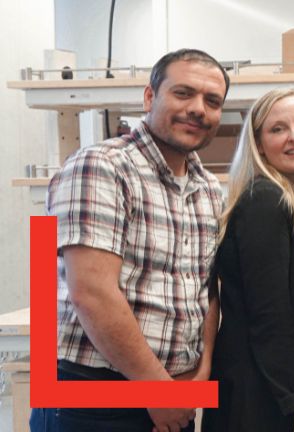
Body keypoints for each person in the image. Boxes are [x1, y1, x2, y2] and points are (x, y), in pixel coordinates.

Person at [33, 48, 228, 432]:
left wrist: (201, 373)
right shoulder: (101, 166)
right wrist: (156, 390)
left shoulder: (208, 187)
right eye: (184, 93)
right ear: (150, 97)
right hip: (95, 395)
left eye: (212, 101)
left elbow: (206, 289)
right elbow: (92, 292)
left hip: (175, 394)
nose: (198, 109)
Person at [204, 88, 294, 432]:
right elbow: (270, 316)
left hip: (275, 392)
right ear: (258, 143)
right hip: (262, 399)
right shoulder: (265, 201)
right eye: (278, 129)